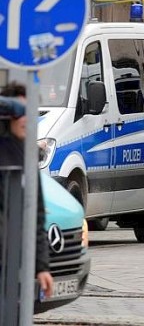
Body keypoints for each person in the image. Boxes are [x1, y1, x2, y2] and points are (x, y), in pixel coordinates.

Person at [0, 82, 54, 303]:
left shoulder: (28, 154)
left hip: (13, 265)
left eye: (30, 113)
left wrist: (41, 266)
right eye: (18, 112)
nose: (25, 119)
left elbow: (36, 215)